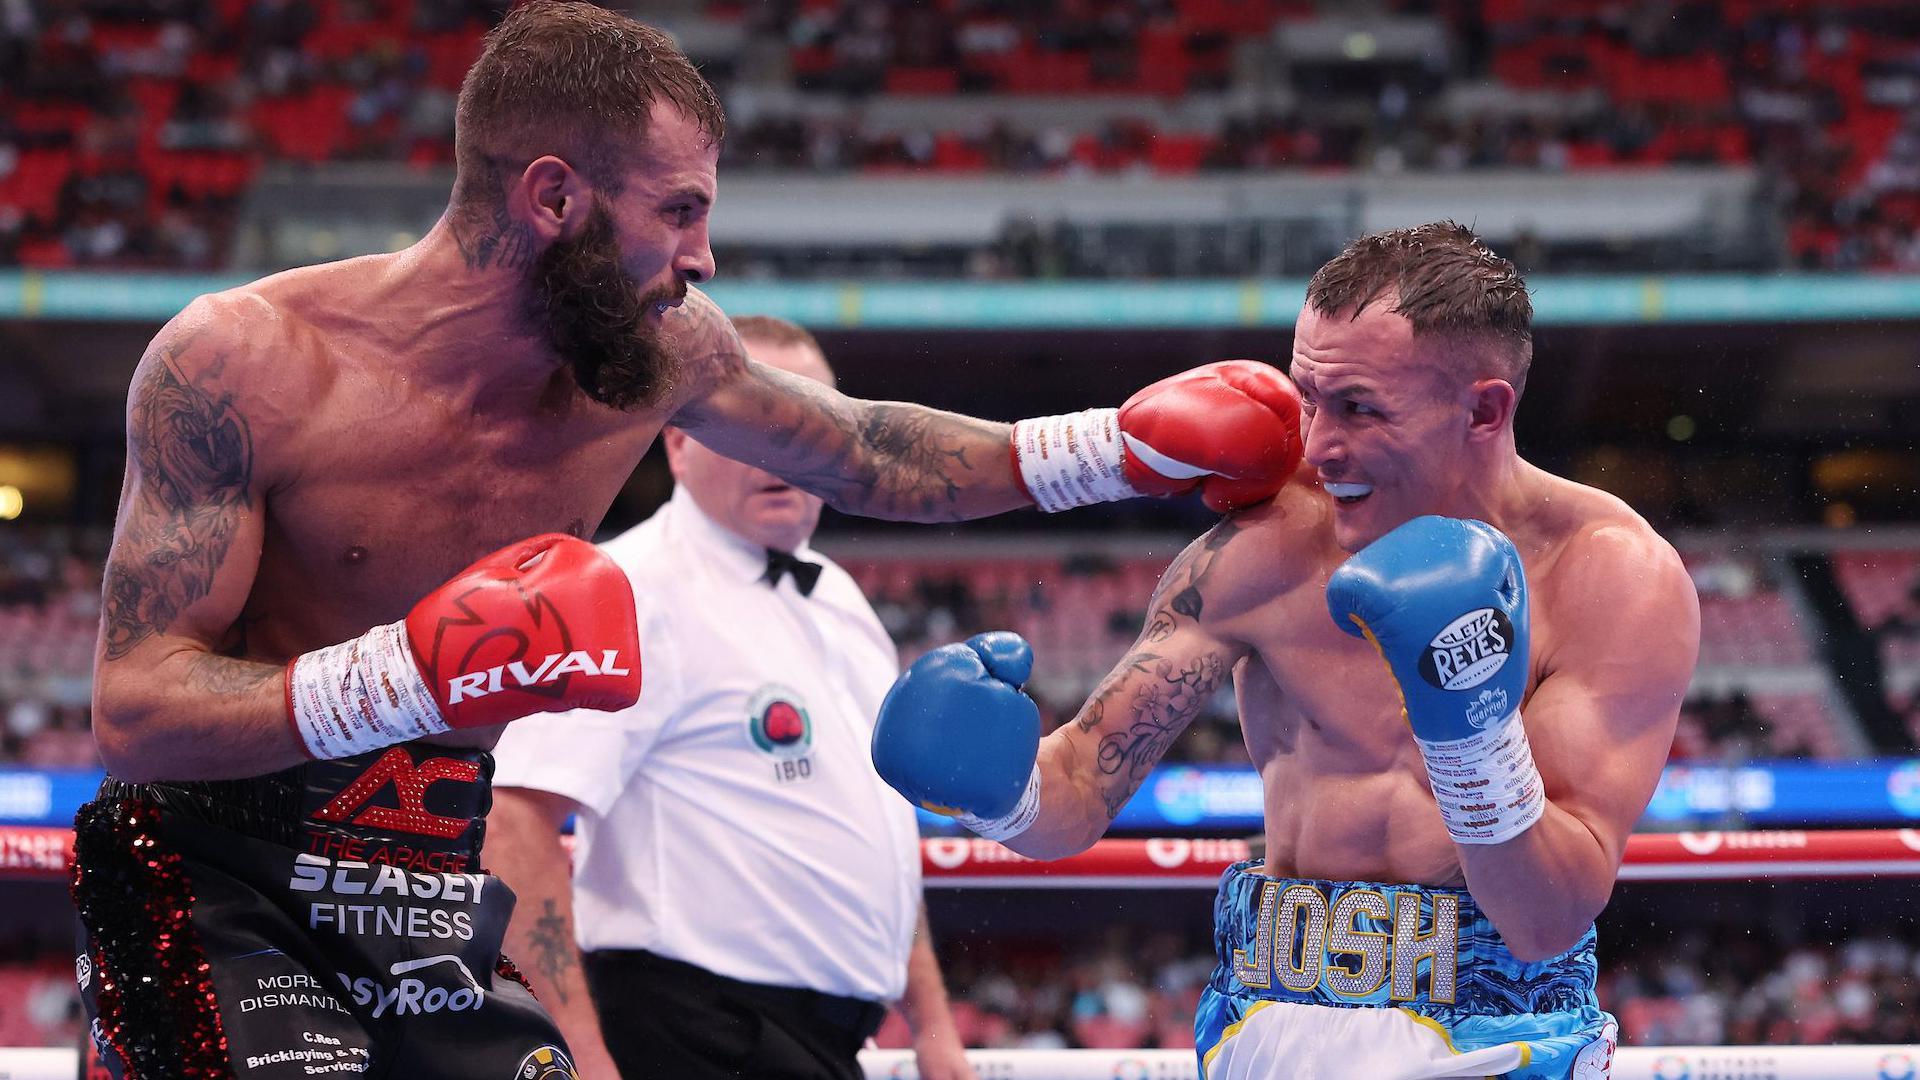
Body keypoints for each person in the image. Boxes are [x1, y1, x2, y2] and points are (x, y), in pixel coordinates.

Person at [69, 4, 1305, 1078]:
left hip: (431, 887)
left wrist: (1122, 448)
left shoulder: (666, 354)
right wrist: (403, 674)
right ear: (553, 196)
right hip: (215, 880)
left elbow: (869, 449)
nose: (702, 255)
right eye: (679, 209)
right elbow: (134, 704)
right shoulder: (244, 364)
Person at [872, 222, 1701, 1079]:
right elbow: (1077, 791)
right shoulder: (1270, 543)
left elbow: (1545, 919)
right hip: (1268, 1019)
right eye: (1308, 397)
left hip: (1498, 1038)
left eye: (1359, 408)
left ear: (1485, 409)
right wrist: (1001, 790)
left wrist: (1471, 732)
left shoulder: (1609, 577)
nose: (1316, 444)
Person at [486, 316, 977, 1080]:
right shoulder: (628, 589)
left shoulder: (841, 598)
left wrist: (935, 1029)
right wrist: (582, 1056)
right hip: (692, 1030)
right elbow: (515, 815)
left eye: (810, 422)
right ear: (679, 445)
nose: (785, 452)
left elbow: (876, 829)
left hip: (820, 1040)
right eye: (756, 427)